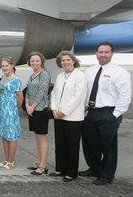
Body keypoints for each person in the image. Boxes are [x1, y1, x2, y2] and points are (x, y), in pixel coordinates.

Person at [79, 42, 131, 185]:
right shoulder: (90, 71)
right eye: (100, 52)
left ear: (112, 54)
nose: (103, 55)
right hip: (90, 113)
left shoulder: (120, 72)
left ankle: (107, 174)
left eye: (106, 52)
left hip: (108, 113)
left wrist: (115, 114)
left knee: (108, 146)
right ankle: (95, 168)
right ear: (96, 53)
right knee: (90, 144)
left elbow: (125, 95)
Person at [50, 50, 87, 182]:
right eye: (62, 61)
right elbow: (54, 93)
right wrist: (54, 109)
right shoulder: (60, 76)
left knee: (72, 146)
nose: (65, 62)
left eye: (67, 60)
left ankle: (71, 172)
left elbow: (78, 96)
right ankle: (60, 168)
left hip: (73, 117)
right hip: (58, 116)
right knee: (60, 145)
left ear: (73, 61)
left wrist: (64, 111)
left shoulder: (80, 76)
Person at [25, 52, 51, 175]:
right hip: (32, 110)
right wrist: (27, 105)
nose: (35, 63)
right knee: (37, 136)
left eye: (37, 61)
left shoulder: (44, 74)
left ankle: (43, 166)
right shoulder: (32, 75)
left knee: (42, 137)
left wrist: (33, 106)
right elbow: (28, 92)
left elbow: (42, 92)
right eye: (32, 61)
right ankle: (39, 162)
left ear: (42, 62)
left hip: (40, 110)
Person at [0, 57, 23, 170]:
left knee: (11, 136)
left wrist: (14, 109)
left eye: (6, 65)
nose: (4, 68)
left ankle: (11, 161)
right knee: (4, 135)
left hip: (10, 110)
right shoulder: (2, 78)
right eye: (2, 66)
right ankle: (7, 159)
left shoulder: (16, 80)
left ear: (12, 65)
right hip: (1, 109)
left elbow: (20, 97)